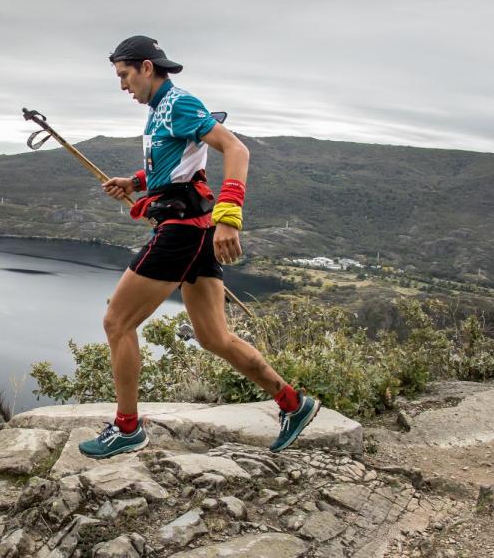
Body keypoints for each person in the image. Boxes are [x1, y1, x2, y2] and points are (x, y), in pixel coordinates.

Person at [77, 35, 320, 459]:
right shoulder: (160, 111)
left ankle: (127, 428)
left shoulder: (180, 103)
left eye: (124, 75)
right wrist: (135, 183)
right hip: (193, 230)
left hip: (184, 232)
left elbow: (235, 148)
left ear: (147, 68)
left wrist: (230, 216)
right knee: (214, 337)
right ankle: (293, 404)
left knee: (117, 322)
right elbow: (179, 163)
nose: (122, 86)